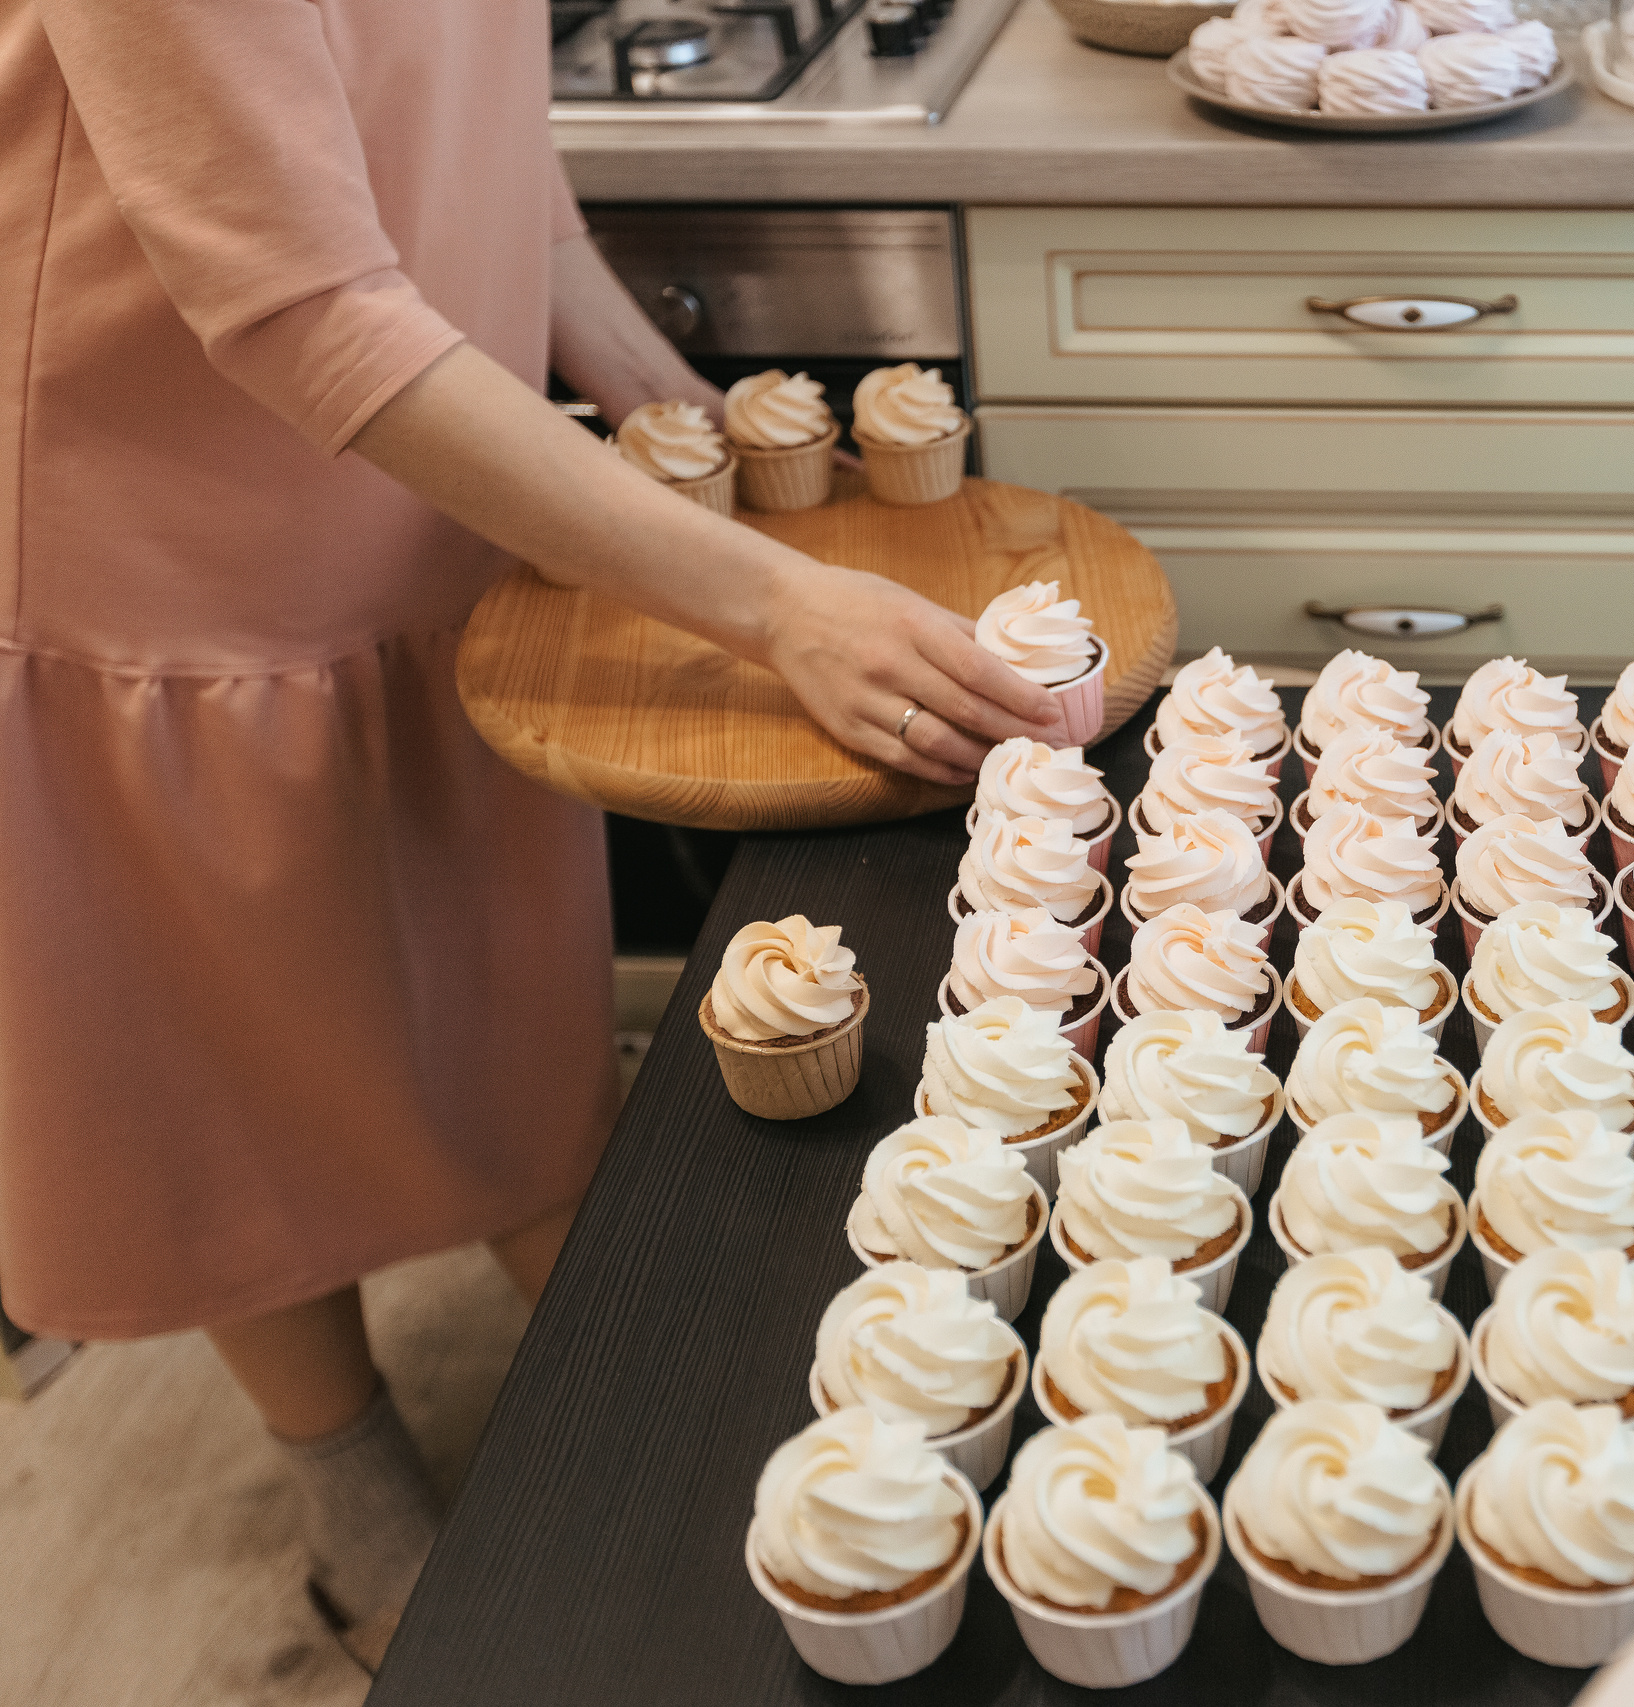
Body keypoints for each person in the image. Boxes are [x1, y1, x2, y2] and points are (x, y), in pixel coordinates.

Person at [1, 0, 1062, 1671]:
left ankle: (642, 1404)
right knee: (221, 1055)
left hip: (435, 454)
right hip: (159, 506)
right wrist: (772, 603)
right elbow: (291, 303)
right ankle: (346, 1483)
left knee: (495, 988)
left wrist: (658, 401)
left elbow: (482, 147)